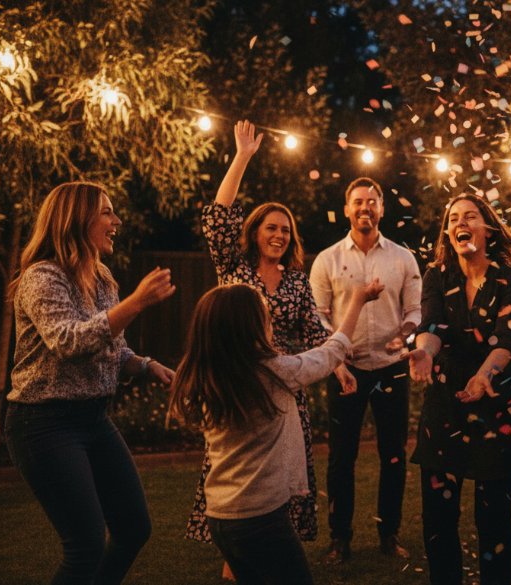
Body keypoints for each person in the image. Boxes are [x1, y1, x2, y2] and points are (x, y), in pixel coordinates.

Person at [186, 121, 352, 570]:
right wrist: (242, 156)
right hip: (236, 384)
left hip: (281, 388)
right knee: (234, 468)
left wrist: (337, 366)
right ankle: (235, 558)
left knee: (281, 475)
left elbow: (316, 333)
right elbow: (218, 217)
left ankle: (269, 549)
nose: (279, 235)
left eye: (286, 230)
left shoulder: (298, 281)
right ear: (256, 231)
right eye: (271, 228)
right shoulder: (233, 268)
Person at [5, 182, 176, 584]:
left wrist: (147, 365)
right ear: (76, 219)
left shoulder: (102, 278)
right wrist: (135, 303)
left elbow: (111, 349)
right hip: (43, 424)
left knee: (134, 528)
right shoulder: (42, 277)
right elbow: (68, 341)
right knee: (84, 546)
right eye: (107, 213)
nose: (116, 221)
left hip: (93, 419)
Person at [168, 280, 383, 585]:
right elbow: (331, 352)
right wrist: (358, 300)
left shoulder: (208, 376)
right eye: (265, 318)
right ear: (250, 328)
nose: (270, 324)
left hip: (220, 516)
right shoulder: (272, 372)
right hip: (261, 518)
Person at [408, 194, 511, 585]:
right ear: (448, 231)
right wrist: (424, 353)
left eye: (470, 216)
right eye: (453, 218)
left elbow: (507, 338)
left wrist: (485, 374)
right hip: (446, 402)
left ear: (487, 228)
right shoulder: (437, 275)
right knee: (438, 518)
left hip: (495, 403)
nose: (460, 222)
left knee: (494, 518)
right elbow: (431, 328)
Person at [309, 177, 422, 562]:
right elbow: (318, 318)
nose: (365, 208)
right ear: (347, 209)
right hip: (347, 369)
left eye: (372, 201)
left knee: (394, 455)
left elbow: (415, 312)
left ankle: (388, 533)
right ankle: (340, 538)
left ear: (381, 209)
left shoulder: (403, 258)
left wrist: (405, 337)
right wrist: (336, 362)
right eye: (358, 202)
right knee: (342, 457)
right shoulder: (327, 259)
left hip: (392, 368)